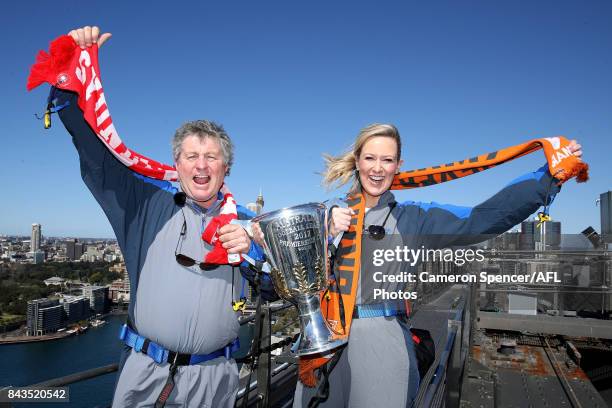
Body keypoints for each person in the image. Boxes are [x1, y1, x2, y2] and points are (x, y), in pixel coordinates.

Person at [50, 26, 276, 407]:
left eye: (212, 157)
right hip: (144, 374)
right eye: (191, 156)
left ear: (227, 167)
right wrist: (70, 67)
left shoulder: (249, 223)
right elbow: (94, 150)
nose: (201, 167)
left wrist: (256, 250)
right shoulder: (143, 202)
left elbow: (280, 288)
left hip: (215, 379)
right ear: (177, 164)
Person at [292, 123, 583, 407]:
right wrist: (322, 234)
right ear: (357, 161)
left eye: (387, 160)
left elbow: (480, 219)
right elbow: (285, 268)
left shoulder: (414, 218)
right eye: (370, 158)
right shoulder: (325, 212)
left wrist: (549, 177)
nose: (377, 168)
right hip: (323, 342)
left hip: (380, 338)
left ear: (398, 165)